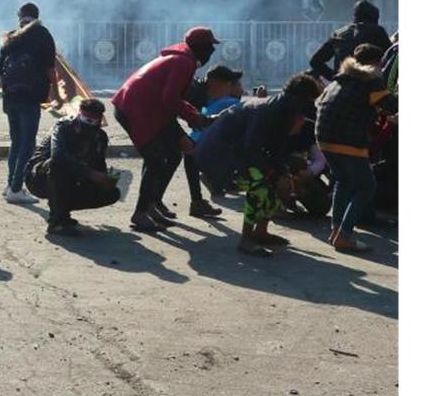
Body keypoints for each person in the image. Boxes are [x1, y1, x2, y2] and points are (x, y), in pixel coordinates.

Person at [193, 73, 322, 256]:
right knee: (261, 186)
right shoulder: (267, 112)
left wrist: (283, 174)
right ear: (299, 98)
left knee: (278, 182)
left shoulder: (284, 111)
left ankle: (261, 232)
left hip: (238, 154)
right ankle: (246, 238)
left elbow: (278, 150)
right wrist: (273, 174)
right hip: (218, 156)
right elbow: (250, 149)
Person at [112, 26, 215, 232]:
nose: (211, 51)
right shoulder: (183, 61)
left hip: (148, 109)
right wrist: (194, 117)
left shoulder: (181, 58)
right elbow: (170, 98)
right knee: (156, 159)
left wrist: (193, 115)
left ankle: (152, 204)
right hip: (135, 108)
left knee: (174, 154)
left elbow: (172, 98)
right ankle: (140, 212)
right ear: (202, 48)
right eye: (210, 47)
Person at [315, 43, 398, 253]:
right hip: (348, 140)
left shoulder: (340, 79)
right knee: (366, 186)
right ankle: (344, 235)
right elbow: (393, 105)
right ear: (376, 63)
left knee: (343, 182)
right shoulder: (369, 81)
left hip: (324, 138)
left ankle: (336, 232)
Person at [24, 98, 121, 236]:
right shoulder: (63, 128)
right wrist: (90, 173)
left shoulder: (100, 137)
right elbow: (58, 157)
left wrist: (105, 179)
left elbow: (99, 166)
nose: (90, 125)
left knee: (111, 193)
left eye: (95, 121)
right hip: (38, 177)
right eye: (86, 120)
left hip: (73, 179)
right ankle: (57, 221)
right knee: (59, 165)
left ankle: (62, 211)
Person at [0, 2, 58, 205]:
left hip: (10, 96)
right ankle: (16, 188)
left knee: (16, 141)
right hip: (30, 96)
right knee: (27, 143)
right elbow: (50, 69)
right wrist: (56, 93)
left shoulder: (12, 36)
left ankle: (9, 185)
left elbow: (0, 68)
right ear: (37, 16)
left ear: (20, 17)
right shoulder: (41, 34)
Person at [182, 65, 245, 215]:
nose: (229, 88)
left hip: (195, 140)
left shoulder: (206, 96)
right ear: (216, 84)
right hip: (201, 144)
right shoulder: (198, 93)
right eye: (228, 84)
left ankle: (199, 200)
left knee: (185, 155)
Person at [309, 0, 392, 81]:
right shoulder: (377, 31)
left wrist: (335, 77)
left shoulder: (338, 33)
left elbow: (315, 61)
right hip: (367, 86)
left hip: (341, 88)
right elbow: (393, 57)